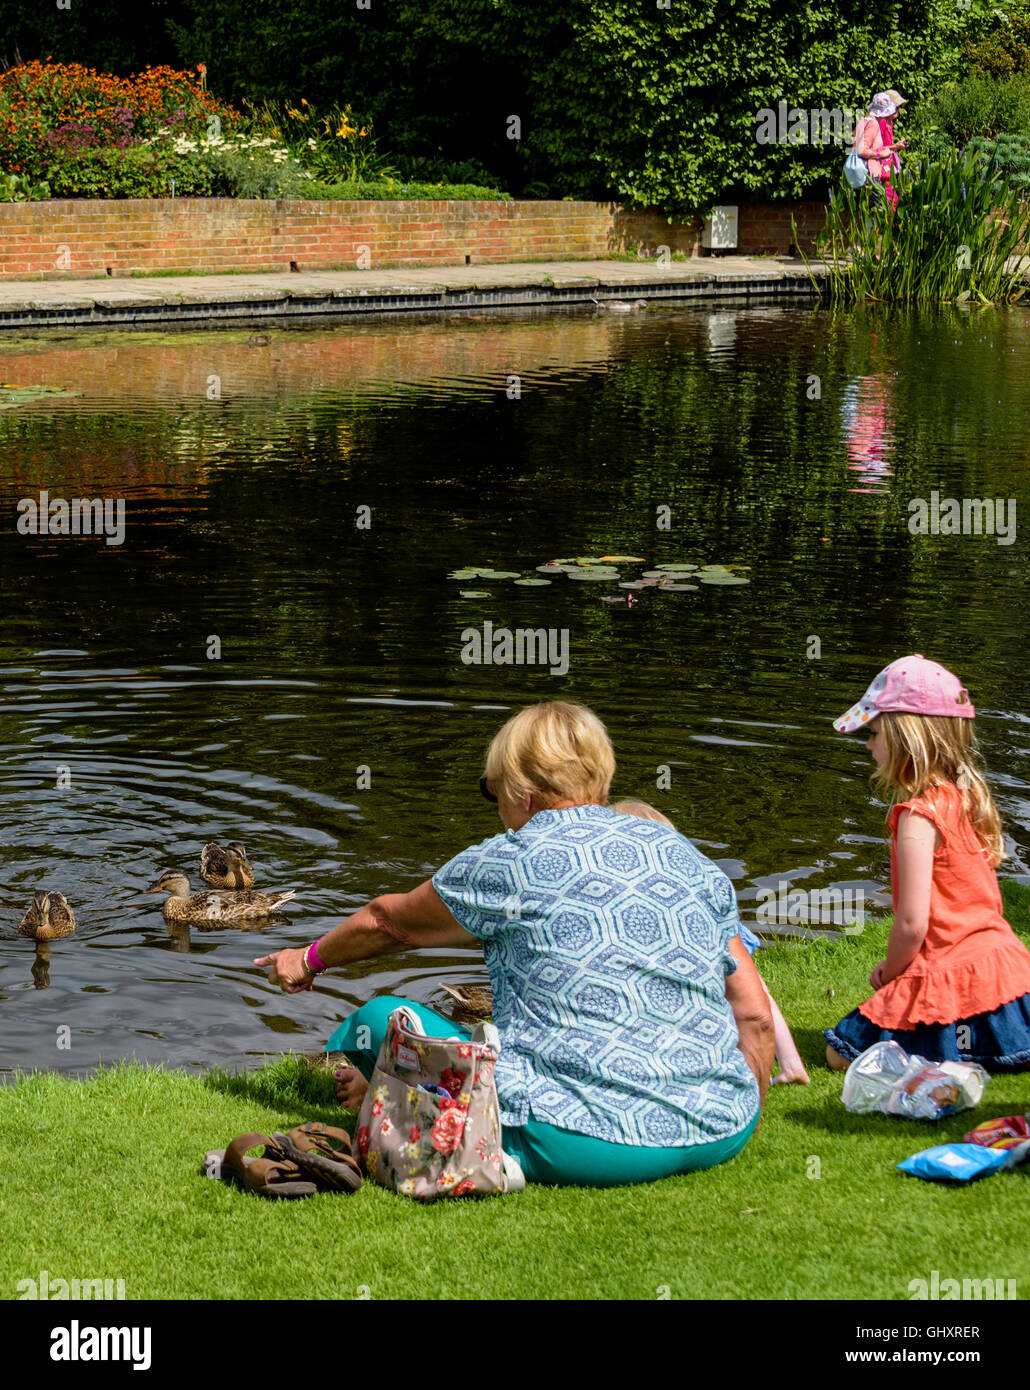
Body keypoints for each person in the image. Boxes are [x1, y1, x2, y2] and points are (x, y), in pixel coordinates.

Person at [257, 700, 774, 1187]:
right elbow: (753, 1015)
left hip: (578, 1138)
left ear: (523, 795)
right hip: (724, 1127)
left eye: (492, 790)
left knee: (381, 1020)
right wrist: (741, 1114)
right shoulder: (685, 854)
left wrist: (306, 958)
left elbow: (389, 923)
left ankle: (465, 1136)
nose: (496, 807)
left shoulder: (511, 857)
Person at [824, 655, 1030, 1071]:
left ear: (906, 736)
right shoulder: (966, 797)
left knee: (838, 1055)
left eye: (874, 732)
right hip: (1005, 970)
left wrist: (892, 971)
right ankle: (989, 1043)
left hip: (947, 969)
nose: (868, 744)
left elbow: (912, 923)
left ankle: (952, 1048)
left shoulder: (918, 816)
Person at [611, 799, 808, 1084]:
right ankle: (791, 1064)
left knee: (739, 997)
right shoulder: (693, 885)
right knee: (757, 991)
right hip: (718, 928)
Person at [853, 93, 903, 212]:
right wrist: (882, 153)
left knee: (879, 209)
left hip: (873, 173)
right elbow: (861, 150)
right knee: (879, 210)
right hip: (873, 173)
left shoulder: (867, 121)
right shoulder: (874, 124)